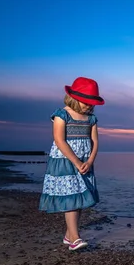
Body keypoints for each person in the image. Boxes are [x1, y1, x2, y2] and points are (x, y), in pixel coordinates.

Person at [39, 77, 105, 251]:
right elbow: (59, 140)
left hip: (85, 162)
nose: (89, 106)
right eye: (86, 102)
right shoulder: (62, 115)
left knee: (81, 197)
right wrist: (75, 161)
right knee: (72, 198)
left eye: (92, 103)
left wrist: (89, 161)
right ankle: (75, 238)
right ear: (74, 98)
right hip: (66, 161)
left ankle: (70, 235)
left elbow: (95, 142)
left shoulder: (91, 119)